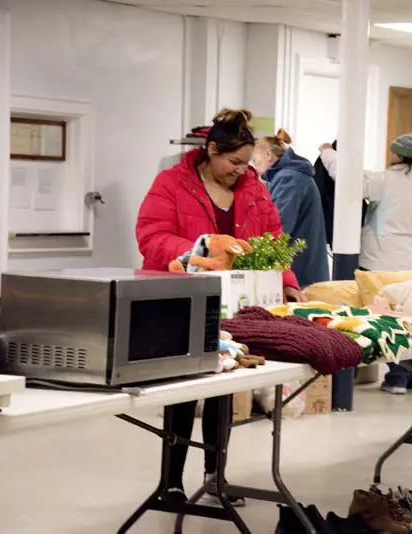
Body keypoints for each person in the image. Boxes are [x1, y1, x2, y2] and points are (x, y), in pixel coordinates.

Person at [135, 108, 302, 505]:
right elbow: (150, 235)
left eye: (247, 164)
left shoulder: (254, 188)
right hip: (182, 298)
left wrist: (289, 284)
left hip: (234, 302)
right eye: (233, 162)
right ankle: (171, 483)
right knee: (183, 391)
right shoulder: (172, 183)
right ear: (211, 150)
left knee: (224, 389)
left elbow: (274, 239)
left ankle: (215, 476)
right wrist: (201, 250)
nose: (240, 171)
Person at [320, 133, 412, 394]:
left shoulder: (385, 180)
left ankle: (348, 377)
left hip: (376, 262)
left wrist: (328, 153)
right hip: (409, 268)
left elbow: (350, 181)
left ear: (397, 155)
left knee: (367, 319)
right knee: (402, 321)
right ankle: (398, 379)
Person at [253, 128, 330, 287]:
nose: (254, 167)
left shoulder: (288, 178)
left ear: (268, 155)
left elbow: (279, 226)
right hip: (307, 269)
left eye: (255, 160)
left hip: (300, 272)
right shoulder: (292, 175)